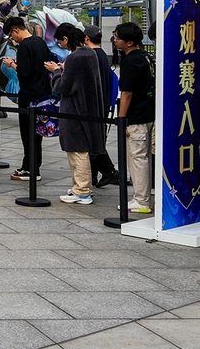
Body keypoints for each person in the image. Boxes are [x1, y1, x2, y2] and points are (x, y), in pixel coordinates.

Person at [50, 23, 106, 205]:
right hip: (88, 107)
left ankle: (82, 191)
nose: (60, 45)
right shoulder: (90, 53)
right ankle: (79, 188)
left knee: (77, 151)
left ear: (66, 39)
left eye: (60, 42)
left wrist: (56, 72)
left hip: (75, 110)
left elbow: (63, 87)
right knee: (80, 150)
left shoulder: (74, 57)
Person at [0, 15, 49, 181]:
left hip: (28, 95)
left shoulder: (24, 46)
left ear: (15, 30)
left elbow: (24, 73)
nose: (12, 38)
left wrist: (12, 64)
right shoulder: (40, 42)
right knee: (37, 134)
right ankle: (31, 166)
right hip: (42, 95)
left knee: (27, 134)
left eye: (11, 35)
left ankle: (31, 170)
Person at [113, 21, 154, 214]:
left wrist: (122, 118)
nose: (115, 40)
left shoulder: (130, 62)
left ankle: (141, 200)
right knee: (144, 157)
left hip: (136, 116)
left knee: (138, 159)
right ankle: (144, 196)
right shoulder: (145, 56)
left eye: (118, 38)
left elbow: (127, 93)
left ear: (129, 42)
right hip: (148, 112)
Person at [83, 24, 119, 187]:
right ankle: (94, 175)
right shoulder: (102, 54)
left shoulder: (90, 55)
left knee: (93, 142)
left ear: (86, 38)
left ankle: (109, 171)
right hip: (103, 103)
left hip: (94, 105)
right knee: (95, 141)